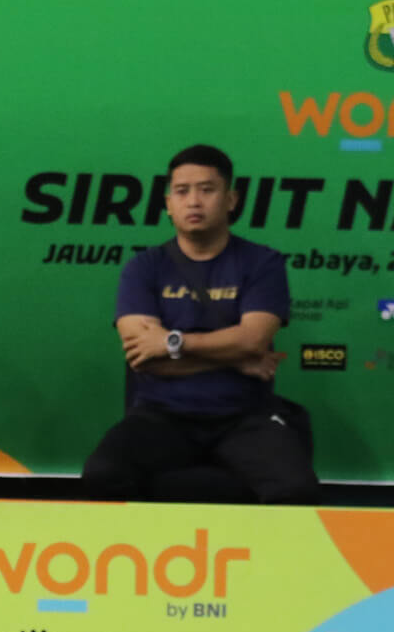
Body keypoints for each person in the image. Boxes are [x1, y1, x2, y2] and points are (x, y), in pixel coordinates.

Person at [81, 144, 317, 504]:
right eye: (182, 191)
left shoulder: (262, 262)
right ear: (168, 203)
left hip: (245, 416)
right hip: (162, 416)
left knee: (296, 488)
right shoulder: (143, 268)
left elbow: (253, 340)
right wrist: (235, 359)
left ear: (231, 199)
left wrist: (172, 343)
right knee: (102, 475)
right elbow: (144, 358)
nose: (194, 201)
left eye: (207, 190)